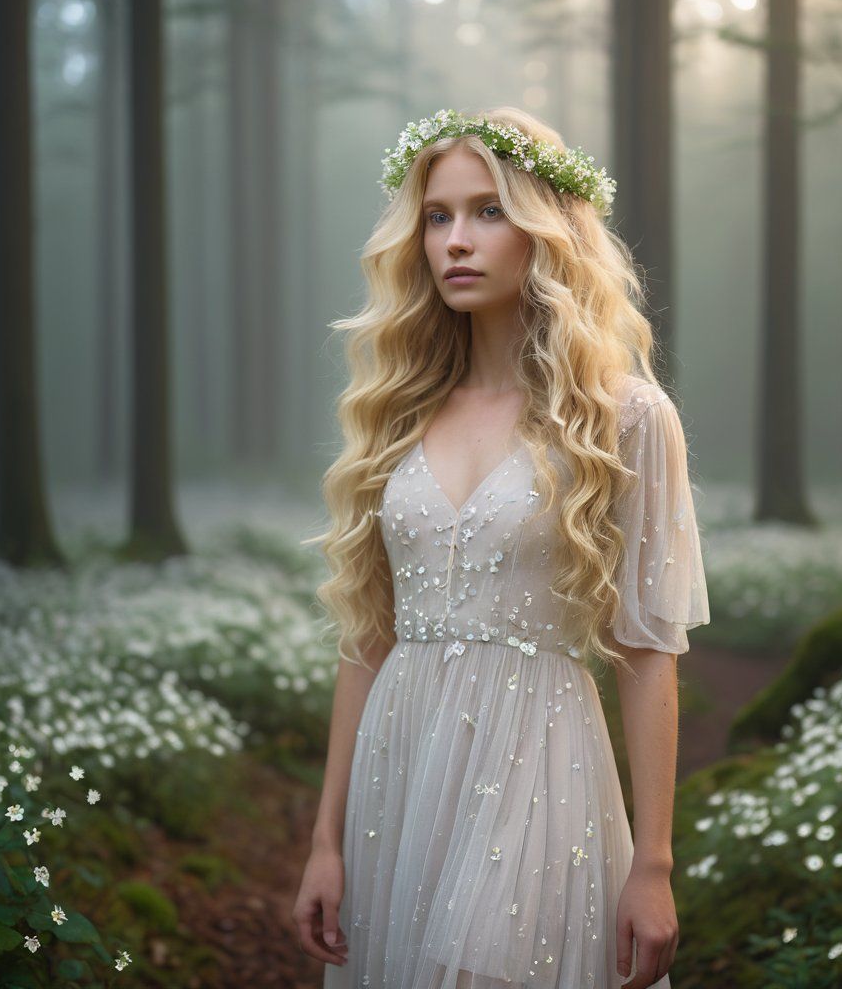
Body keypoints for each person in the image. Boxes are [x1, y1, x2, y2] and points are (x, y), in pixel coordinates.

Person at [292, 106, 710, 989]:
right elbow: (367, 640)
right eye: (437, 217)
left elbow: (646, 650)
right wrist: (326, 840)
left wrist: (654, 863)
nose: (456, 241)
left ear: (546, 228)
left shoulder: (626, 419)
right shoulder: (395, 417)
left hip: (540, 765)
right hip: (396, 779)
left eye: (488, 211)